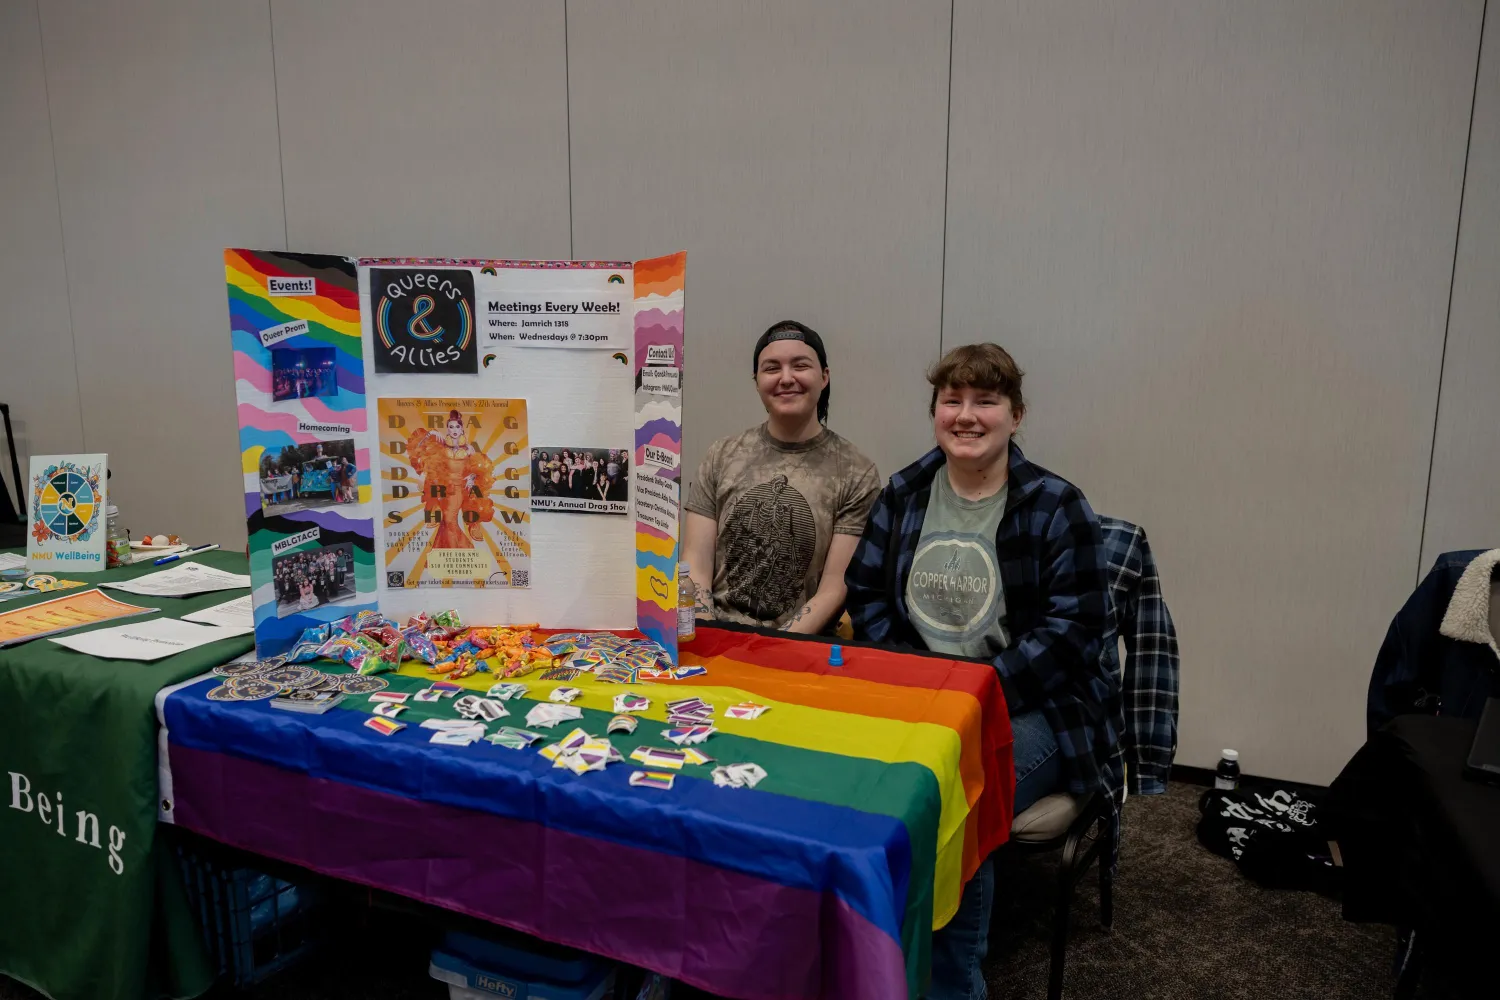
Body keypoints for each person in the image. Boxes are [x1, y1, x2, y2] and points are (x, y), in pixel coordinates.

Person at [843, 343, 1119, 1000]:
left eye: (985, 401)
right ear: (936, 412)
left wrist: (971, 694)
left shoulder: (1056, 505)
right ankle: (864, 963)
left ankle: (951, 986)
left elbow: (1074, 632)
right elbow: (867, 596)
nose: (966, 415)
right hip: (920, 698)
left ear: (1015, 416)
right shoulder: (906, 493)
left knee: (947, 798)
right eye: (952, 400)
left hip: (1036, 710)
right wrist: (919, 679)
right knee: (857, 782)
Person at [684, 321, 880, 633]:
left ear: (824, 377)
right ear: (757, 380)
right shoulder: (721, 455)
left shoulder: (856, 471)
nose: (786, 378)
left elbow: (834, 587)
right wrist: (707, 633)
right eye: (771, 368)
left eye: (800, 366)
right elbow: (696, 562)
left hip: (798, 646)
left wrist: (777, 647)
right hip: (715, 637)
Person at [406, 409, 497, 549]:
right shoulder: (442, 446)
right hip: (444, 491)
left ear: (461, 429)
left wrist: (472, 477)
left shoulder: (469, 449)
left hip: (459, 490)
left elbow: (479, 466)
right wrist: (431, 434)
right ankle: (446, 553)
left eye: (457, 426)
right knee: (446, 521)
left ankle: (466, 550)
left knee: (449, 519)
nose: (454, 429)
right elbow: (419, 448)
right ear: (447, 429)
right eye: (451, 427)